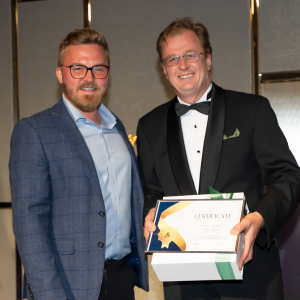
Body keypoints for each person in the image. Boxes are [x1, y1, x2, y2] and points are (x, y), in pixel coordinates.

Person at [137, 17, 300, 300]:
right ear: (164, 70)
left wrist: (260, 217)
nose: (183, 65)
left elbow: (288, 177)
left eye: (191, 55)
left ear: (208, 59)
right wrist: (150, 212)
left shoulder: (252, 110)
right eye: (172, 59)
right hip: (183, 283)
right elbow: (151, 190)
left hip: (249, 276)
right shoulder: (148, 126)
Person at [10, 28, 148, 300]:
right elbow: (29, 224)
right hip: (66, 284)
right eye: (78, 68)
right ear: (60, 73)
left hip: (122, 279)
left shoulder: (117, 127)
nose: (89, 78)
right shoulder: (34, 131)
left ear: (107, 75)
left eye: (98, 68)